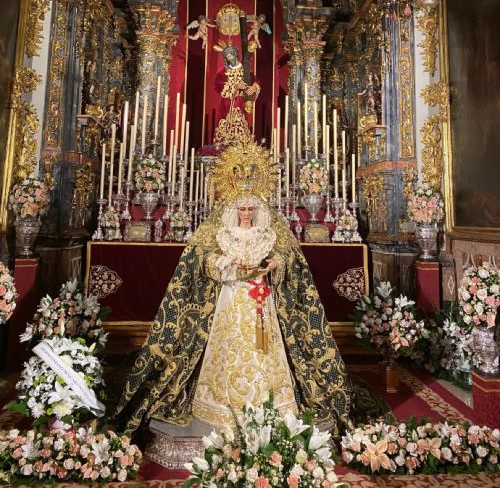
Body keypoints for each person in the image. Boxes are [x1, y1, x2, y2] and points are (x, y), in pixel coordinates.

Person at [113, 142, 352, 437]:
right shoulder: (223, 232)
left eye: (251, 208)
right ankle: (219, 403)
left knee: (265, 345)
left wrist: (274, 263)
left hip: (260, 296)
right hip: (231, 294)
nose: (247, 213)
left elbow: (288, 256)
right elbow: (204, 259)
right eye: (242, 209)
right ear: (234, 209)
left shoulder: (268, 232)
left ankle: (270, 401)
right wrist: (225, 263)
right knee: (228, 343)